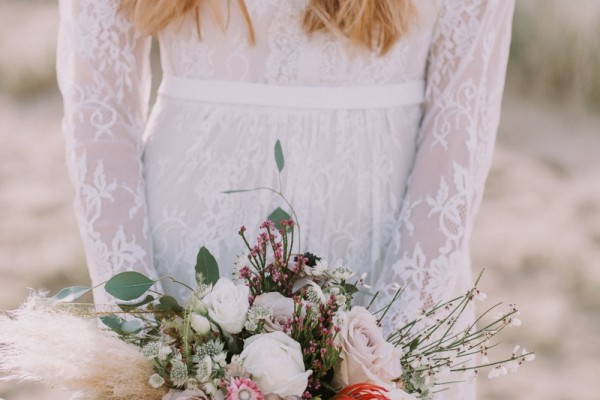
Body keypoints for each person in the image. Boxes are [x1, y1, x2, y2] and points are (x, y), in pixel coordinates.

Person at [57, 1, 515, 398]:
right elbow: (99, 99)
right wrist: (145, 332)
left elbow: (461, 117)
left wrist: (388, 358)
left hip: (384, 281)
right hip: (188, 288)